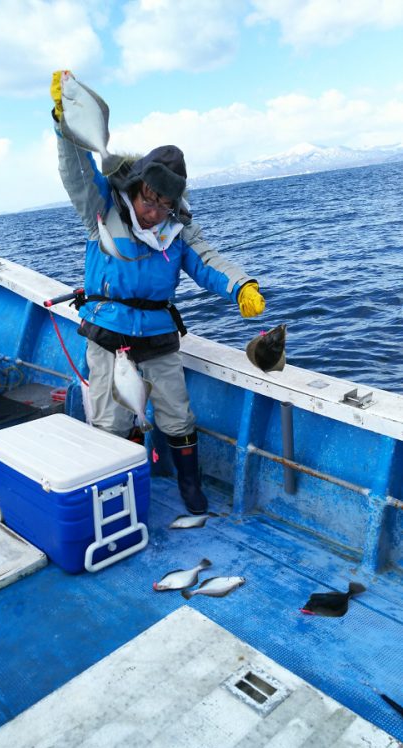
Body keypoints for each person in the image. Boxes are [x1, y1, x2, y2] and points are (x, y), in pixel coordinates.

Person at [50, 71, 265, 515]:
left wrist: (240, 285)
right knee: (111, 420)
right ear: (137, 188)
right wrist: (65, 125)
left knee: (177, 414)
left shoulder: (178, 230)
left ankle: (190, 485)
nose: (153, 213)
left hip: (159, 335)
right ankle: (116, 491)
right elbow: (76, 171)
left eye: (163, 205)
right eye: (149, 201)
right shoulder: (102, 209)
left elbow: (207, 261)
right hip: (108, 335)